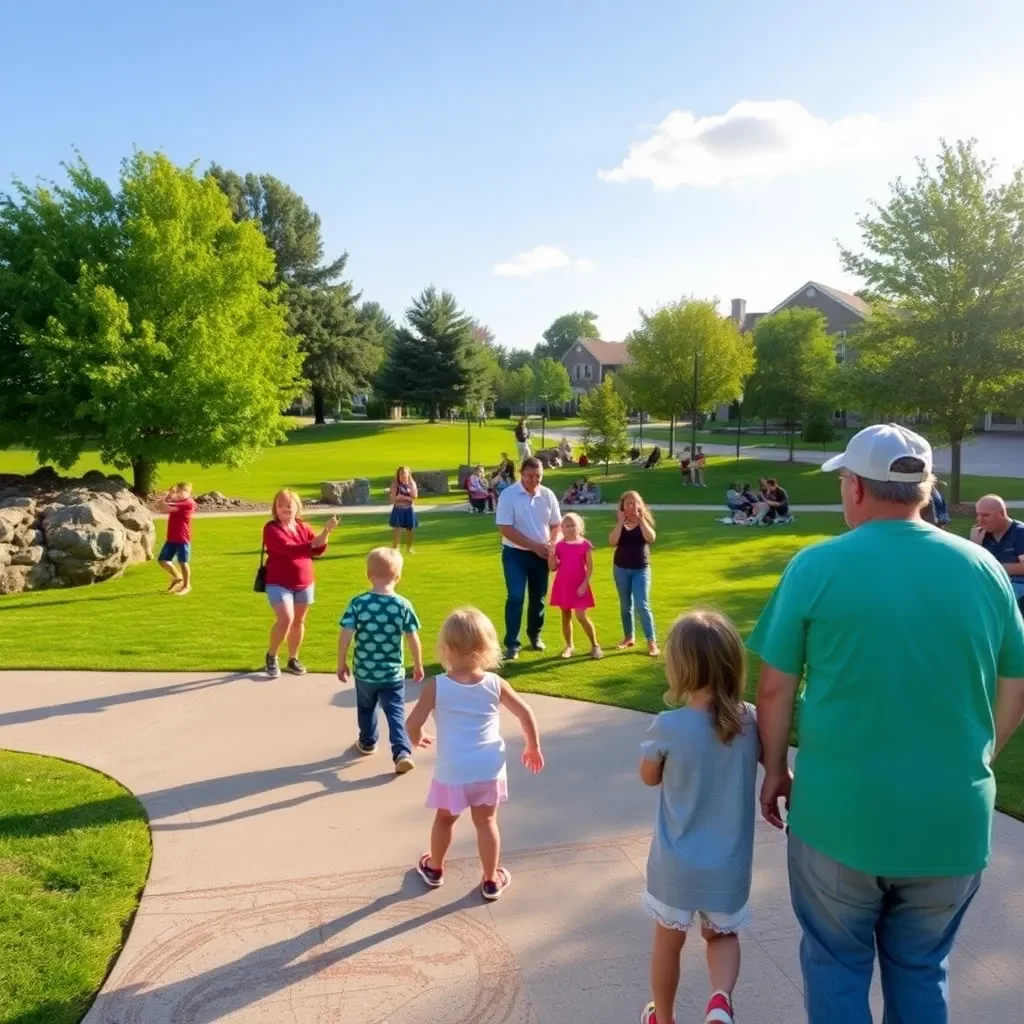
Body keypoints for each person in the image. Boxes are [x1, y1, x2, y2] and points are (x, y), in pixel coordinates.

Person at [749, 423, 1024, 1024]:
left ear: (854, 488)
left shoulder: (816, 566)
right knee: (923, 970)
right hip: (952, 819)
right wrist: (980, 757)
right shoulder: (984, 568)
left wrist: (774, 769)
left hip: (839, 816)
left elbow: (774, 687)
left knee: (836, 964)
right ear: (925, 490)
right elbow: (1015, 688)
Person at [638, 611, 758, 1024]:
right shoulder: (749, 721)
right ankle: (720, 1001)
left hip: (676, 864)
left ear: (680, 667)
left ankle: (664, 1017)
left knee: (667, 942)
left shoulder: (668, 726)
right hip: (728, 864)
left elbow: (649, 777)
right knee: (722, 936)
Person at [406, 607, 545, 901]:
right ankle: (491, 879)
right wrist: (532, 746)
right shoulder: (495, 684)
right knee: (486, 823)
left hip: (453, 770)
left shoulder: (437, 686)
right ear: (486, 647)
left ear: (445, 648)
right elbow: (525, 713)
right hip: (487, 767)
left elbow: (412, 723)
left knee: (445, 819)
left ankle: (434, 868)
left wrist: (418, 738)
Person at [337, 547, 424, 774]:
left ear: (368, 575)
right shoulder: (402, 605)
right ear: (398, 577)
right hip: (392, 673)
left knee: (366, 708)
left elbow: (346, 634)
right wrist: (418, 664)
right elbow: (413, 637)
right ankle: (402, 752)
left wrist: (341, 661)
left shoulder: (359, 603)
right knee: (395, 712)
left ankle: (367, 742)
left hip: (365, 671)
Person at [262, 490, 338, 678]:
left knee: (298, 621)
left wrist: (326, 531)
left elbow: (317, 548)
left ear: (297, 507)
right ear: (275, 508)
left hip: (304, 581)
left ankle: (293, 658)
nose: (285, 508)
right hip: (278, 581)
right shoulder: (271, 528)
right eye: (280, 505)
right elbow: (287, 549)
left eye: (289, 505)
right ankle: (272, 656)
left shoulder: (303, 527)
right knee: (286, 618)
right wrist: (313, 543)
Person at [495, 456, 562, 661]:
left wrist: (552, 544)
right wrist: (534, 545)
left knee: (538, 598)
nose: (535, 480)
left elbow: (556, 524)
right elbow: (505, 528)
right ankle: (512, 644)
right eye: (531, 476)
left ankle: (535, 635)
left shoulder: (547, 494)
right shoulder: (509, 495)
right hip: (515, 554)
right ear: (521, 474)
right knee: (516, 597)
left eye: (538, 476)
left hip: (541, 554)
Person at [609, 490, 659, 656]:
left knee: (642, 605)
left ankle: (651, 642)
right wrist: (619, 523)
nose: (632, 505)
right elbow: (612, 541)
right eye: (628, 503)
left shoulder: (643, 522)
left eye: (635, 502)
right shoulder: (620, 524)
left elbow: (651, 538)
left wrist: (642, 519)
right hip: (621, 568)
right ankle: (628, 637)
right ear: (622, 506)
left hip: (641, 569)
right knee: (625, 605)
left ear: (640, 505)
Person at [548, 512, 602, 660]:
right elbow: (553, 567)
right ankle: (569, 645)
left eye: (573, 525)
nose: (570, 529)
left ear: (579, 527)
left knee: (581, 615)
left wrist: (585, 585)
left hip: (580, 585)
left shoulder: (585, 545)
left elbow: (590, 568)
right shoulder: (560, 546)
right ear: (562, 529)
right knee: (565, 616)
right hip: (563, 585)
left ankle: (595, 645)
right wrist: (551, 554)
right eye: (567, 526)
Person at [971, 494, 1024, 612]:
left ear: (1001, 514)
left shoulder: (1020, 533)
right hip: (991, 584)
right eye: (978, 514)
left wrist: (994, 567)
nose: (980, 519)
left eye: (985, 515)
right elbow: (974, 567)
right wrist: (975, 546)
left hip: (1016, 585)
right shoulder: (981, 534)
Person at [157, 481, 197, 595]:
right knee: (162, 560)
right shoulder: (178, 502)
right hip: (172, 537)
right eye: (177, 491)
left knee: (183, 562)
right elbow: (160, 507)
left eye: (180, 491)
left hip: (182, 537)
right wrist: (168, 496)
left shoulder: (188, 503)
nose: (178, 494)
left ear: (187, 492)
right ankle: (177, 577)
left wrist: (167, 496)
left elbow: (165, 508)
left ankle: (186, 586)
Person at [388, 466, 418, 552]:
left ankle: (409, 548)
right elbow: (393, 498)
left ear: (408, 474)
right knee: (398, 529)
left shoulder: (412, 484)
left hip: (409, 509)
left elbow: (414, 496)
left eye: (404, 473)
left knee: (410, 529)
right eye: (400, 474)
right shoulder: (395, 485)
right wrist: (405, 498)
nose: (402, 475)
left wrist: (402, 497)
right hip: (398, 509)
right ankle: (395, 547)